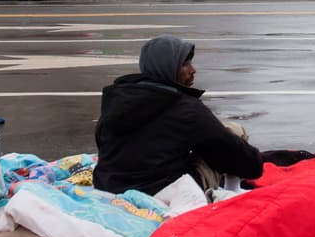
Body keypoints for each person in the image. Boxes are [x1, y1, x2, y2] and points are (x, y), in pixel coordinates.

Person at [93, 35, 263, 196]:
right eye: (185, 64)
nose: (193, 70)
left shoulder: (116, 100)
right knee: (233, 131)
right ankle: (232, 191)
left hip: (108, 186)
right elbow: (246, 163)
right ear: (167, 68)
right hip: (163, 192)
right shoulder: (185, 108)